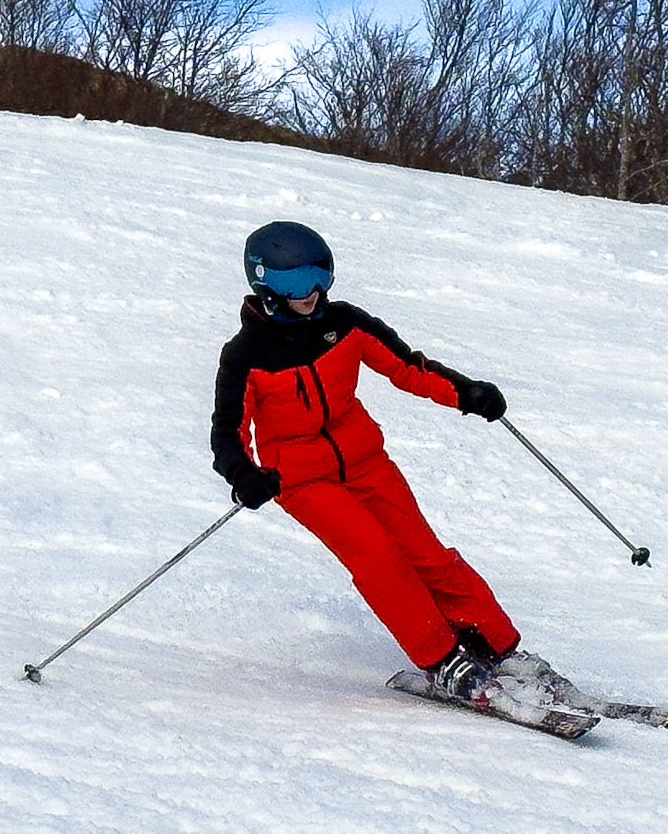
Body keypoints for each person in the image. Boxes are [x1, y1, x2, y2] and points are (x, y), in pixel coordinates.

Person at [210, 221, 529, 700]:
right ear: (265, 285)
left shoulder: (346, 324)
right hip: (299, 480)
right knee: (377, 555)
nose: (311, 293)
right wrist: (245, 475)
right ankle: (440, 659)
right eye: (296, 283)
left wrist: (466, 393)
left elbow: (407, 368)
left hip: (365, 461)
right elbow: (227, 433)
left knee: (426, 553)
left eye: (320, 276)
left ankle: (497, 647)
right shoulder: (245, 357)